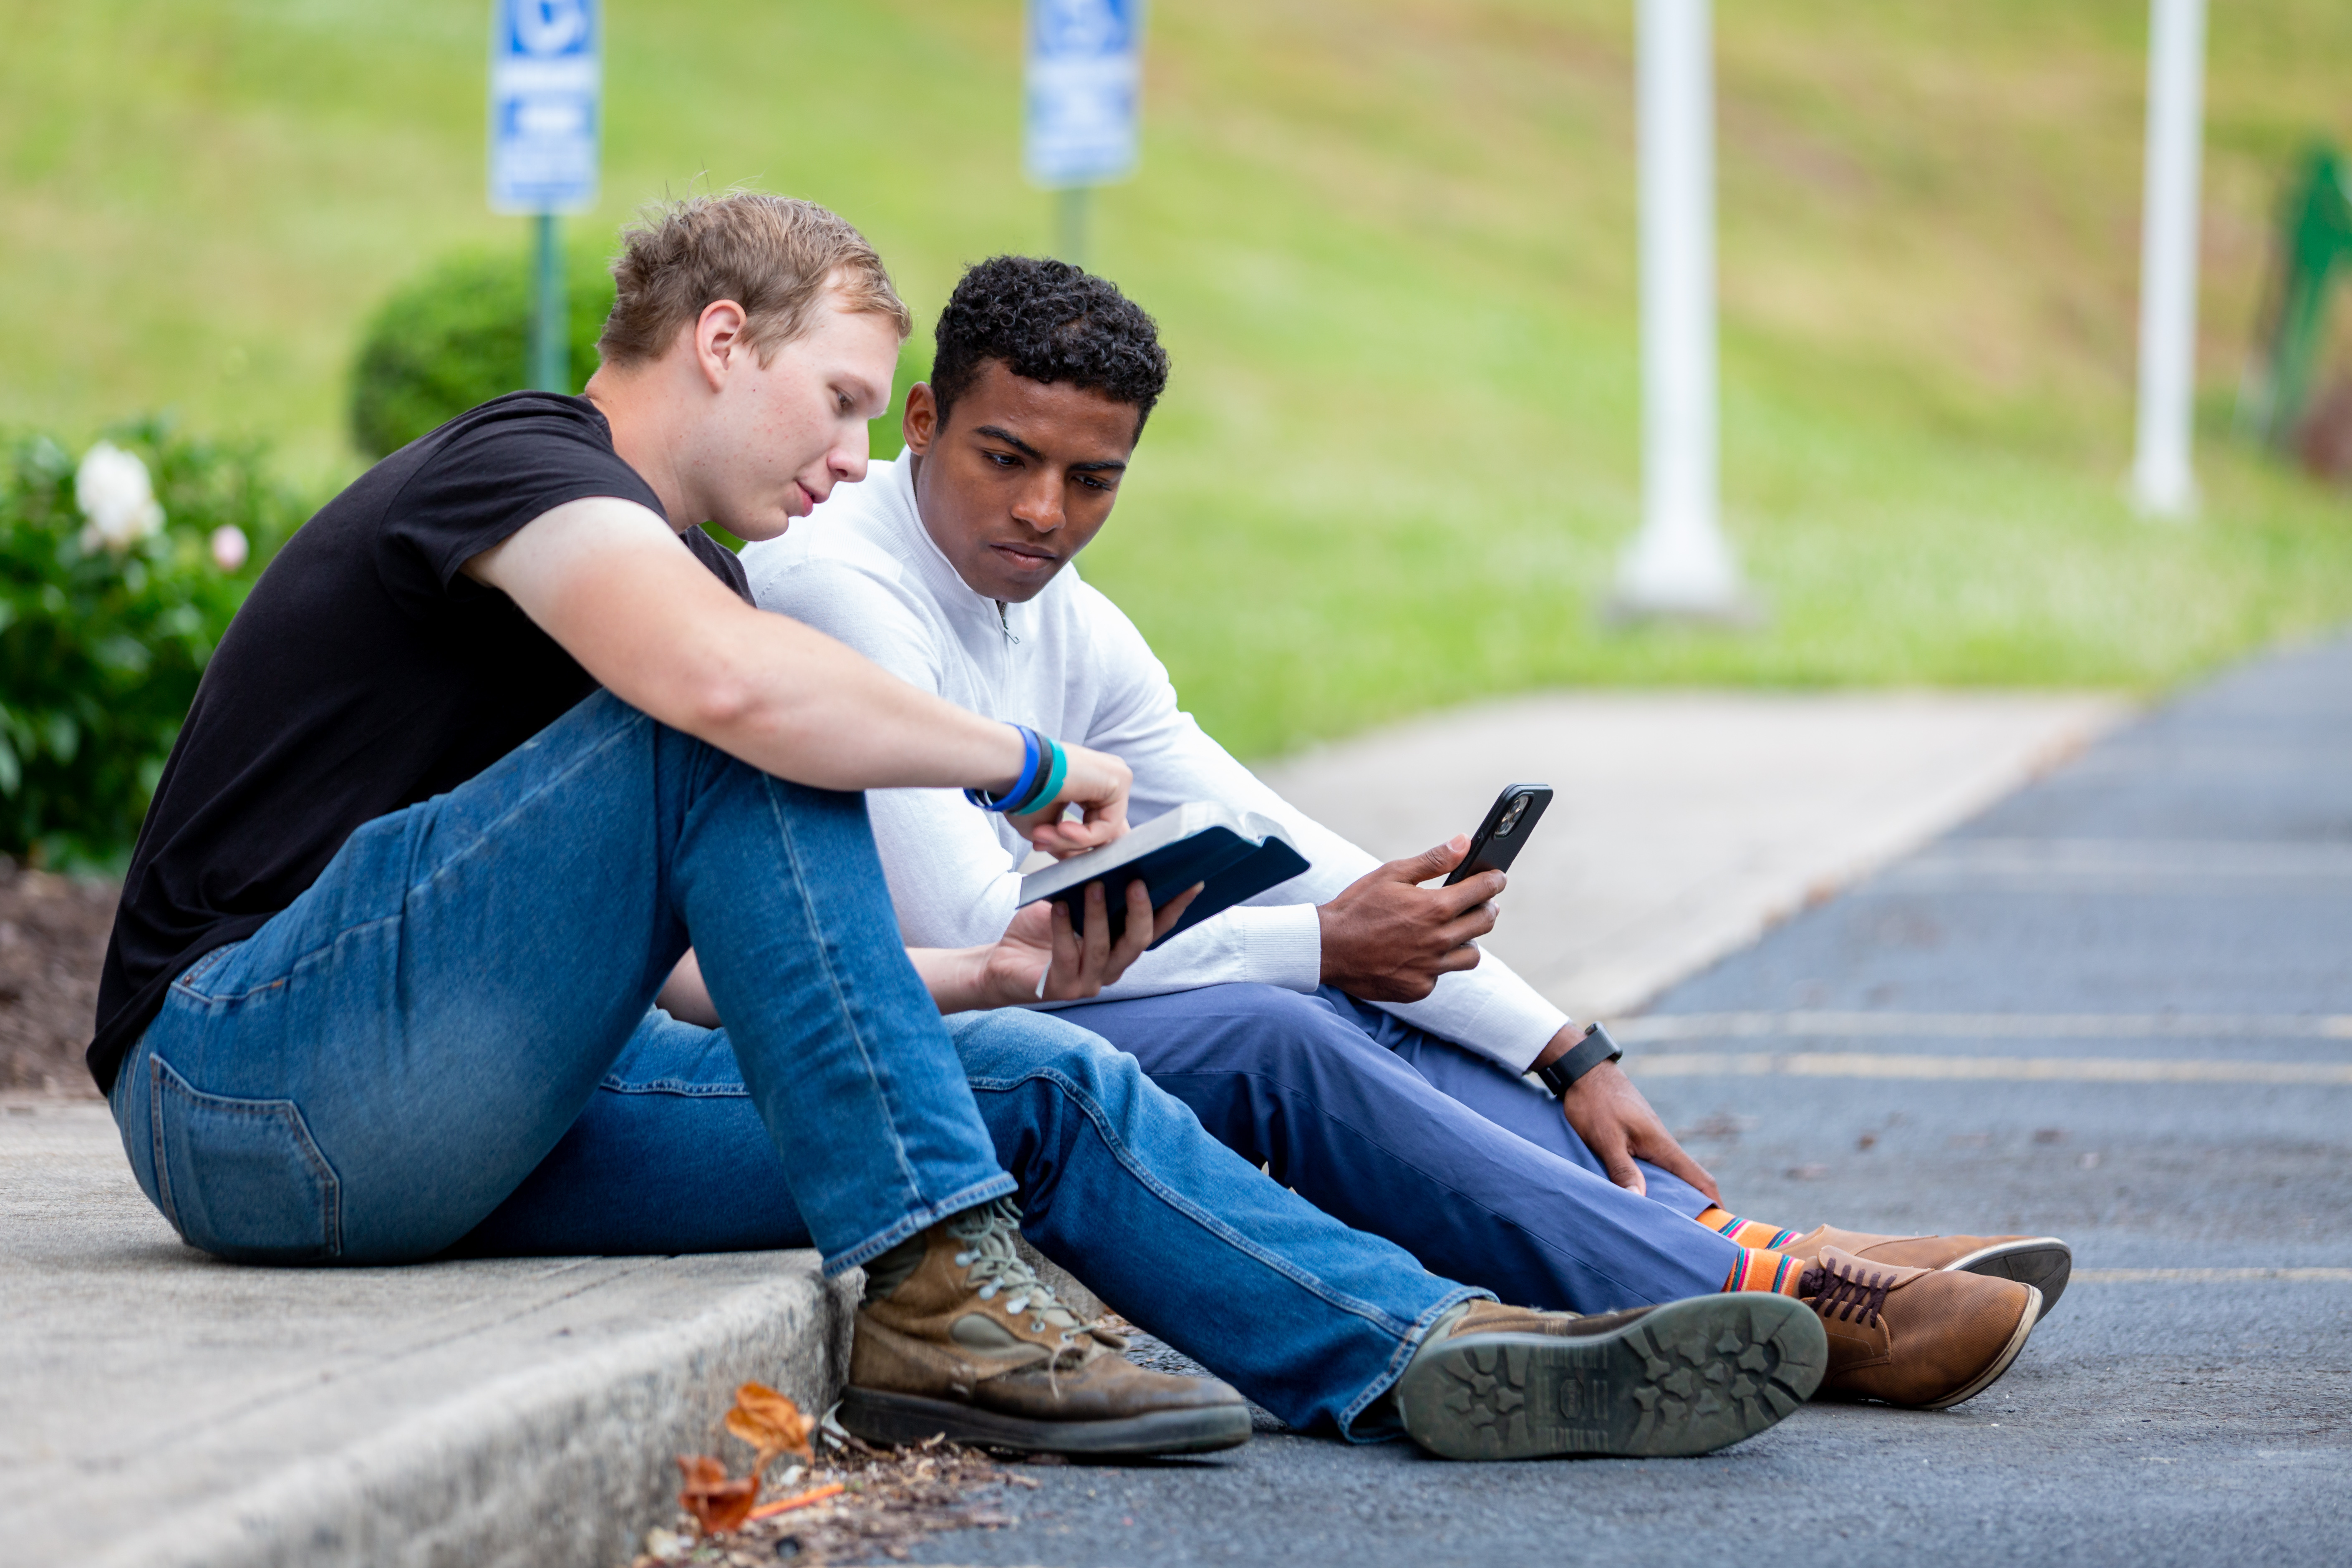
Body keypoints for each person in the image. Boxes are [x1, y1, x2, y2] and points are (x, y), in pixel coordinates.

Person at [88, 191, 1836, 1463]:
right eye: (846, 400)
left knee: (1041, 1073)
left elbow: (699, 975)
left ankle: (1429, 1351)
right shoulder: (519, 466)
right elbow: (735, 709)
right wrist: (1011, 761)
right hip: (246, 1083)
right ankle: (944, 1293)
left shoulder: (679, 587)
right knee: (731, 714)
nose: (855, 460)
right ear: (721, 343)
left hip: (475, 1112)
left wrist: (987, 969)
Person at [741, 254, 2061, 1411]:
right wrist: (1319, 947)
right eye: (1007, 459)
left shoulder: (1061, 608)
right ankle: (1762, 1293)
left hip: (1014, 1009)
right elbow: (979, 932)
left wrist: (1564, 1044)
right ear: (924, 419)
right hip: (886, 1034)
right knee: (1284, 1021)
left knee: (1364, 990)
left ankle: (1732, 1238)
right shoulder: (841, 584)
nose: (1045, 513)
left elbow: (1271, 828)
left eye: (1094, 480)